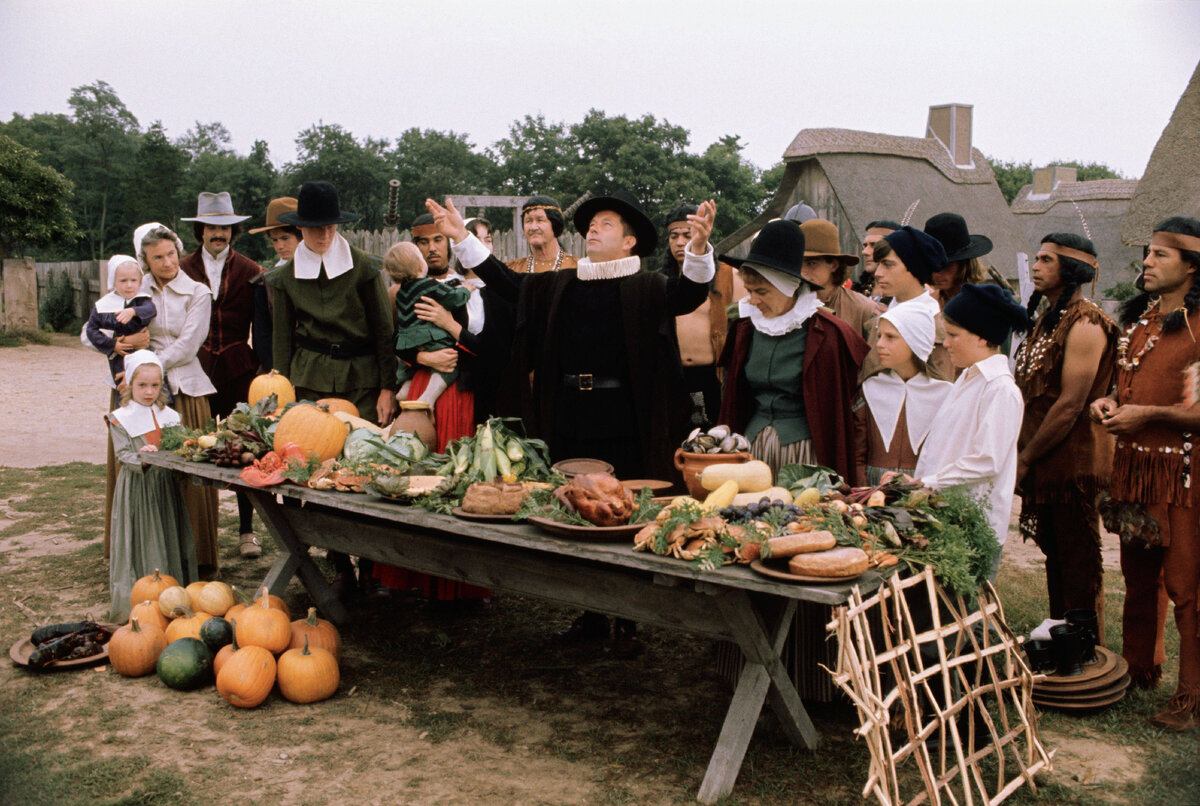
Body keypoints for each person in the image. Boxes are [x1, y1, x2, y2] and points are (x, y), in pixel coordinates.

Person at [426, 189, 716, 655]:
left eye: (605, 224)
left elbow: (690, 292)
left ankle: (628, 620)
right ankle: (591, 614)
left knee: (621, 518)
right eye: (591, 224)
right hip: (569, 418)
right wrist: (462, 237)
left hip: (625, 421)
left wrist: (699, 250)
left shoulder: (649, 287)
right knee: (579, 515)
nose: (592, 229)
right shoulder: (562, 284)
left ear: (629, 243)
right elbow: (507, 284)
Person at [1089, 216, 1200, 731]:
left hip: (1182, 472)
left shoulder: (1199, 327)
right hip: (1133, 470)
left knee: (1186, 586)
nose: (1147, 262)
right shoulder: (1142, 322)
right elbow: (1126, 386)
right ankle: (1140, 668)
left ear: (1192, 265)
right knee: (1137, 578)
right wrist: (1110, 404)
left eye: (1160, 254)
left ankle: (1191, 697)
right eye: (1148, 253)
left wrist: (1148, 416)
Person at [268, 181, 397, 599]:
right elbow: (282, 339)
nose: (323, 235)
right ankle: (340, 565)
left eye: (329, 227)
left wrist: (386, 387)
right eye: (314, 228)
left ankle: (373, 568)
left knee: (365, 469)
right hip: (310, 380)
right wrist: (281, 395)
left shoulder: (364, 267)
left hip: (361, 377)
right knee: (318, 475)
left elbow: (383, 331)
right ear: (300, 229)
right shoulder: (284, 278)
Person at [1014, 233, 1117, 640]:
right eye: (1036, 258)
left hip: (1073, 460)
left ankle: (1087, 648)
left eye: (1046, 260)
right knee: (1056, 554)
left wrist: (1025, 458)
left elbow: (1071, 404)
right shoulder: (1048, 317)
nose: (1036, 267)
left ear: (1070, 270)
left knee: (1077, 557)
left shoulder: (1087, 322)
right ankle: (1062, 638)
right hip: (1046, 457)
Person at [718, 219, 868, 480]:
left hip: (804, 455)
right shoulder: (746, 330)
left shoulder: (827, 333)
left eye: (762, 291)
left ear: (789, 285)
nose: (754, 300)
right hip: (751, 451)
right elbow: (733, 397)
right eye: (750, 290)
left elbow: (842, 411)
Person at [913, 283, 1029, 577]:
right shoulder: (968, 378)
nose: (946, 343)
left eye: (953, 335)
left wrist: (931, 483)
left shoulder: (1000, 389)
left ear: (982, 338)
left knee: (970, 615)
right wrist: (919, 482)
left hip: (973, 529)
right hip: (946, 517)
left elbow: (987, 460)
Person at [179, 191, 264, 560]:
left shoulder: (251, 271)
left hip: (237, 367)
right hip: (193, 368)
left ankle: (247, 531)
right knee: (194, 446)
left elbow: (262, 327)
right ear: (200, 229)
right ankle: (194, 531)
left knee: (242, 448)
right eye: (213, 227)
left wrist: (262, 369)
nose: (219, 234)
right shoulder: (180, 268)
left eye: (226, 228)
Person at [135, 222, 221, 577]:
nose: (168, 262)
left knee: (192, 476)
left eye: (171, 254)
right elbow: (104, 326)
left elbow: (190, 343)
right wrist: (120, 347)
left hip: (185, 389)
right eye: (158, 257)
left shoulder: (198, 292)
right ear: (146, 261)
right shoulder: (136, 291)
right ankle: (154, 556)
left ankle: (198, 557)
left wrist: (151, 363)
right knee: (150, 474)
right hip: (144, 394)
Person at [107, 350, 197, 622]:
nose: (149, 392)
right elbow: (122, 455)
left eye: (155, 385)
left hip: (164, 488)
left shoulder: (171, 416)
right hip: (138, 489)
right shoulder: (121, 418)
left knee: (168, 533)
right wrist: (143, 458)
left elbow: (181, 449)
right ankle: (144, 600)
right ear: (129, 385)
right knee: (145, 538)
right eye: (142, 385)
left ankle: (172, 595)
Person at [660, 203, 742, 425]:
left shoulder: (727, 277)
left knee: (714, 443)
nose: (679, 242)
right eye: (673, 236)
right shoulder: (660, 282)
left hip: (712, 377)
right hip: (672, 378)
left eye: (687, 235)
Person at [853, 304, 952, 486]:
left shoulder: (944, 394)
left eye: (890, 337)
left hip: (922, 490)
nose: (879, 344)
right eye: (880, 335)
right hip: (874, 489)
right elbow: (858, 453)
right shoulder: (870, 387)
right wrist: (864, 492)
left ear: (915, 341)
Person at [860, 226, 955, 380]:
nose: (878, 273)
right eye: (879, 265)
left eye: (888, 264)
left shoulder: (935, 328)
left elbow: (939, 394)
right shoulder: (880, 316)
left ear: (913, 268)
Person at [383, 242, 471, 407]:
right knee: (450, 366)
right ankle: (429, 397)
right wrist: (466, 290)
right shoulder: (429, 285)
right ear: (418, 266)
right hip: (429, 336)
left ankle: (405, 386)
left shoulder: (401, 292)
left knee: (409, 368)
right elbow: (453, 298)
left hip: (407, 340)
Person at [799, 218, 881, 341]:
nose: (803, 271)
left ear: (834, 265)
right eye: (799, 263)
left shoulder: (863, 309)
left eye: (811, 263)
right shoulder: (788, 304)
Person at [247, 196, 301, 373]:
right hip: (277, 368)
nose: (280, 246)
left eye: (285, 238)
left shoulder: (324, 274)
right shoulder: (265, 283)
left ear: (301, 235)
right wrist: (276, 372)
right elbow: (262, 337)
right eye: (275, 240)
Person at [85, 255, 156, 386]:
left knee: (145, 383)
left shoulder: (142, 300)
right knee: (124, 386)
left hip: (143, 352)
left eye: (133, 280)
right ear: (114, 282)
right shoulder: (103, 305)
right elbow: (91, 330)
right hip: (118, 356)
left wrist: (133, 311)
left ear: (140, 282)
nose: (129, 285)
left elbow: (151, 310)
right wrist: (112, 345)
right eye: (123, 281)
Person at [923, 213, 992, 308]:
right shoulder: (927, 305)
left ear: (964, 264)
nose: (937, 273)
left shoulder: (984, 305)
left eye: (945, 265)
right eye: (932, 264)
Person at [505, 195, 578, 274]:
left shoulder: (576, 268)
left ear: (555, 224)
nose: (533, 227)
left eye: (540, 220)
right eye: (528, 221)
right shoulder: (513, 269)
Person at [854, 219, 899, 300]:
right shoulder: (856, 291)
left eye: (874, 245)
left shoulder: (909, 294)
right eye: (865, 246)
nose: (865, 252)